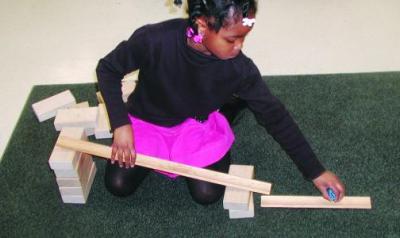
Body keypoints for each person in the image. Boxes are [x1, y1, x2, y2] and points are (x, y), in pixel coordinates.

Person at [96, 0, 345, 205]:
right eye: (231, 39)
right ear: (202, 25)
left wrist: (316, 171)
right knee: (118, 184)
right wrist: (120, 124)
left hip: (196, 123)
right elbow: (107, 69)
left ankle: (229, 109)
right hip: (148, 121)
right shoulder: (153, 39)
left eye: (244, 38)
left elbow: (274, 114)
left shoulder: (239, 68)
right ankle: (233, 103)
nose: (239, 47)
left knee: (207, 194)